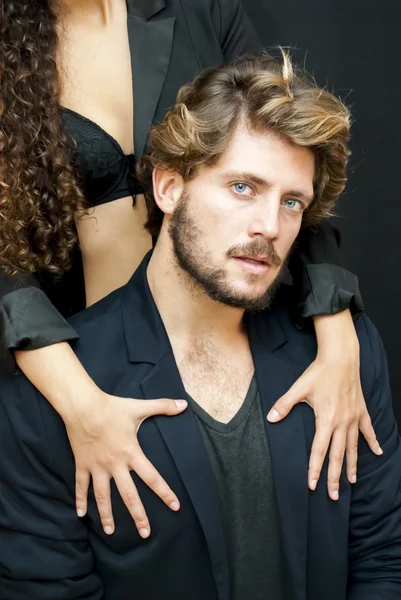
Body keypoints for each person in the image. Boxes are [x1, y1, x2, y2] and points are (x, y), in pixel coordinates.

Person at [1, 53, 400, 600]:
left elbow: (382, 559)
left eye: (291, 202)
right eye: (243, 187)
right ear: (168, 188)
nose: (269, 227)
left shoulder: (343, 357)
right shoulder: (53, 390)